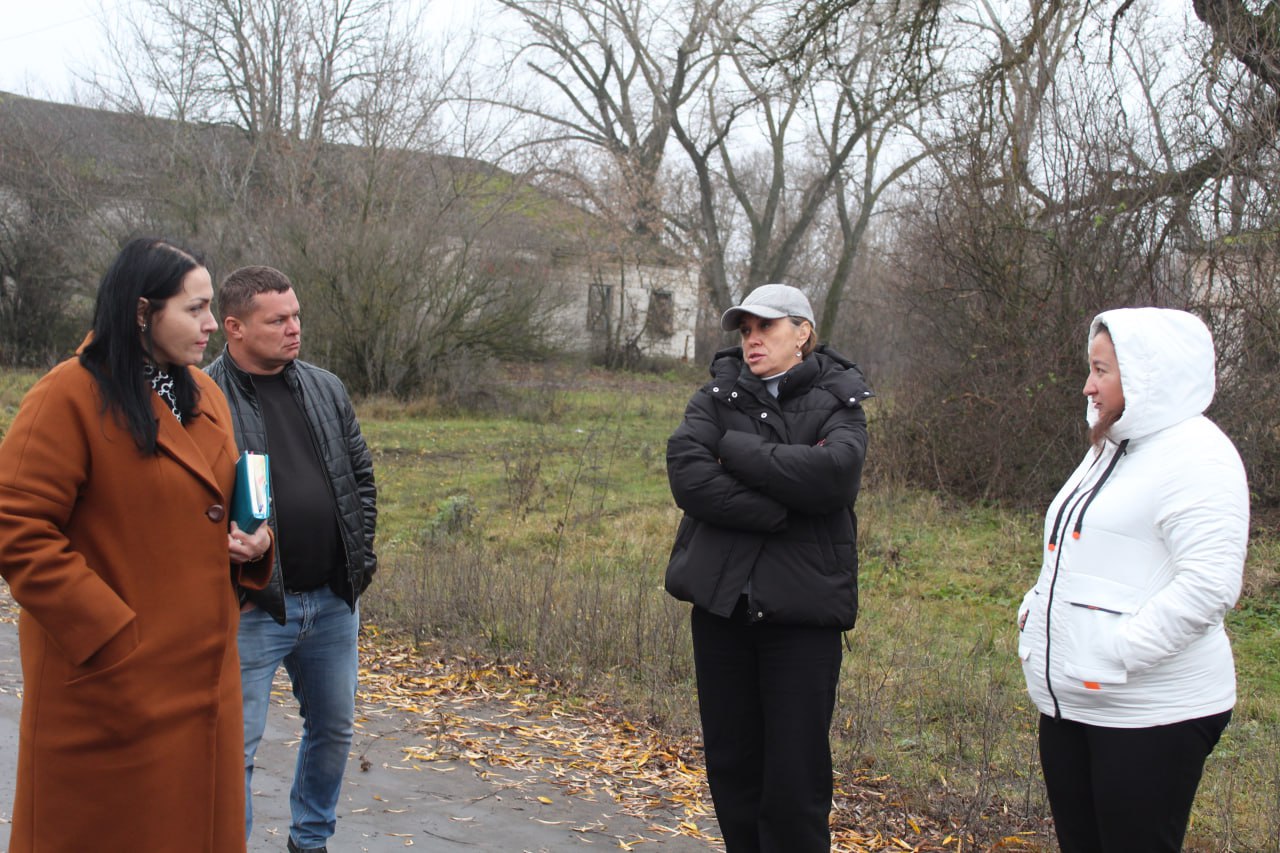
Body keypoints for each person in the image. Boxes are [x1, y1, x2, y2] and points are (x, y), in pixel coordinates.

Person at [0, 237, 274, 851]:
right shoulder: (66, 394)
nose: (211, 325)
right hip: (113, 688)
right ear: (142, 312)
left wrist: (255, 545)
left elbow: (221, 504)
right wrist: (110, 636)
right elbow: (16, 525)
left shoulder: (204, 395)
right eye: (196, 309)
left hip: (204, 685)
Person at [1017, 307, 1248, 852]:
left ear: (1147, 374)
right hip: (1073, 702)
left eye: (1101, 371)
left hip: (1152, 712)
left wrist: (1116, 653)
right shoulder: (1113, 445)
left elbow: (1209, 586)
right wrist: (1034, 609)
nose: (1087, 386)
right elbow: (1078, 550)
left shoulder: (1198, 455)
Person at [664, 283, 872, 851]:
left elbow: (834, 476)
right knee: (733, 768)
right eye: (745, 330)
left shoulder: (838, 399)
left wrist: (734, 451)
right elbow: (688, 474)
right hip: (722, 608)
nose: (752, 340)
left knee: (794, 778)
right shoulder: (715, 396)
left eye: (766, 328)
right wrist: (780, 509)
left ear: (802, 332)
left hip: (802, 618)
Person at [206, 265, 377, 853]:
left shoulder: (326, 387)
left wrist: (359, 564)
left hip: (331, 603)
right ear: (233, 327)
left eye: (296, 315)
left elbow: (361, 481)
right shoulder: (205, 400)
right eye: (276, 319)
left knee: (332, 730)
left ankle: (311, 841)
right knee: (236, 747)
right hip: (251, 607)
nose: (293, 328)